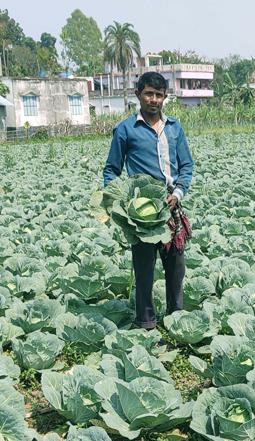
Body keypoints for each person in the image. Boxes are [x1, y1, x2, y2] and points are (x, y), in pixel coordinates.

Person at [103, 71, 194, 330]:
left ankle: (176, 318)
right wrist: (119, 203)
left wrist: (177, 194)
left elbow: (186, 166)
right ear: (138, 95)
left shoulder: (175, 128)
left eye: (158, 94)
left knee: (176, 268)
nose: (153, 99)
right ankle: (146, 322)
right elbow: (112, 170)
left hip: (172, 210)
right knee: (143, 270)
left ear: (165, 97)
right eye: (148, 93)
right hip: (141, 216)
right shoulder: (125, 130)